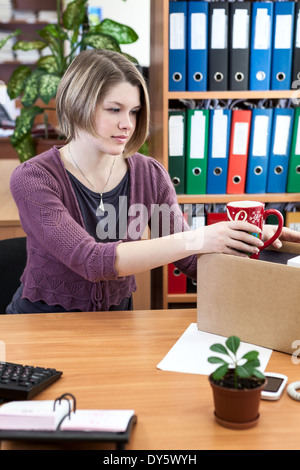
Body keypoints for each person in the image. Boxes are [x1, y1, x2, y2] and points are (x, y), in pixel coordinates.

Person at [6, 49, 300, 314]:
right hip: (40, 322)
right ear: (77, 104)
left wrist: (245, 240)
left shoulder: (149, 175)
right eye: (114, 109)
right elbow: (90, 260)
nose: (128, 124)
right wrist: (199, 237)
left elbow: (191, 263)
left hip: (116, 321)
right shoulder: (34, 178)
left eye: (134, 111)